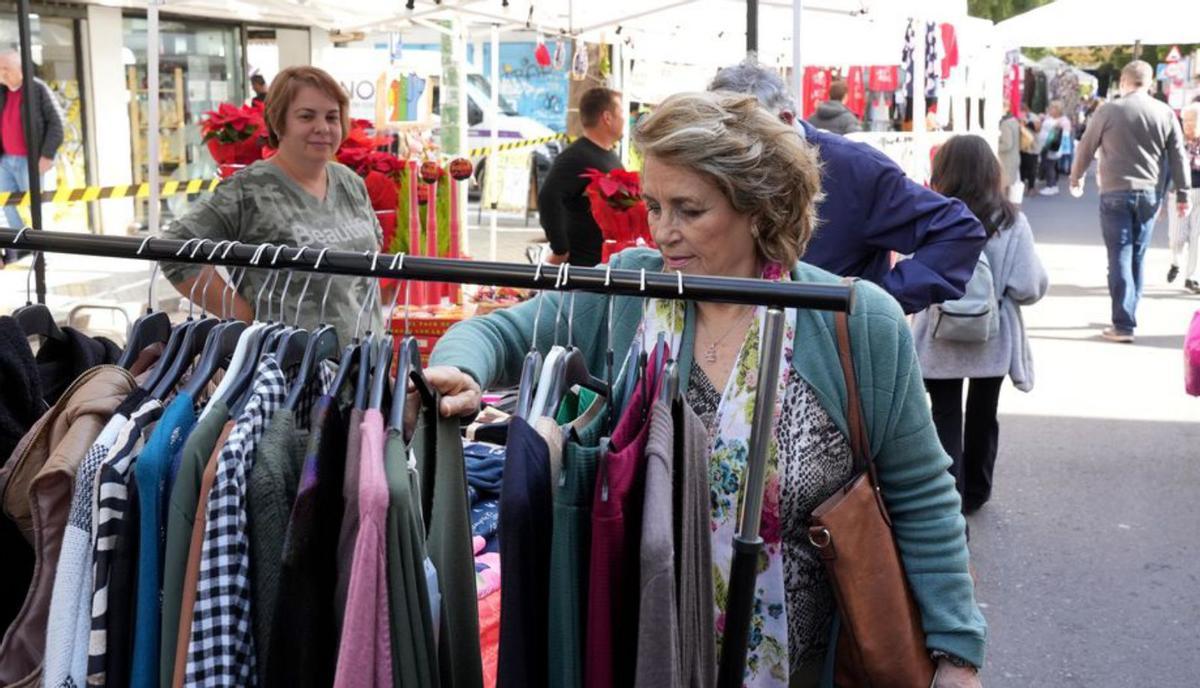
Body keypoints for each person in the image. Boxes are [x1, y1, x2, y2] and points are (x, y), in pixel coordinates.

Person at [422, 91, 986, 688]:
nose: (664, 232)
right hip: (639, 656)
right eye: (653, 205)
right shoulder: (629, 290)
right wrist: (463, 368)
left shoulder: (854, 320)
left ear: (760, 210)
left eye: (688, 210)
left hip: (808, 666)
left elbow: (921, 494)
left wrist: (956, 651)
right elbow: (504, 331)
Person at [708, 59, 987, 314]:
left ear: (785, 120)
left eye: (749, 142)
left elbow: (957, 229)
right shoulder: (714, 165)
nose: (738, 158)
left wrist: (876, 303)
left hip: (834, 354)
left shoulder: (853, 168)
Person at [160, 66, 384, 337]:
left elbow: (373, 250)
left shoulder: (349, 183)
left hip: (366, 363)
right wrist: (243, 317)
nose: (323, 128)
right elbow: (174, 249)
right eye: (306, 116)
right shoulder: (249, 189)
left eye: (332, 117)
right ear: (279, 122)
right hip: (290, 369)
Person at [914, 135, 1048, 515]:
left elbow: (914, 273)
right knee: (983, 413)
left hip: (939, 333)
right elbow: (1026, 286)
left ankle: (947, 495)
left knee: (943, 414)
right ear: (992, 172)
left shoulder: (931, 217)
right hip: (993, 337)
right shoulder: (1011, 220)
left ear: (943, 172)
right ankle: (977, 490)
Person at [1069, 60, 1191, 343]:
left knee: (1120, 255)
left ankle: (1123, 324)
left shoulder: (1108, 110)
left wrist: (1075, 178)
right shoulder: (1164, 112)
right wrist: (1183, 194)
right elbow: (1178, 156)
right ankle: (1127, 316)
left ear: (1124, 81)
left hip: (1114, 191)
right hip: (1149, 193)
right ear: (1149, 83)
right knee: (1137, 256)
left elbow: (1087, 146)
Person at [536, 86, 624, 267]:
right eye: (621, 112)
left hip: (610, 262)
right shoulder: (576, 156)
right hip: (585, 266)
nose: (625, 119)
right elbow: (548, 197)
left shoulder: (608, 154)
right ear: (607, 117)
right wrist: (560, 249)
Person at [0, 50, 64, 264]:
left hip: (31, 162)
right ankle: (24, 247)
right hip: (6, 161)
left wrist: (46, 155)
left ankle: (41, 252)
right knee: (8, 205)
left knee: (36, 209)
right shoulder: (2, 91)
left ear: (19, 69)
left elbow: (57, 124)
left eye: (5, 69)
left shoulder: (36, 89)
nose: (2, 74)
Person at [1167, 103, 1200, 293]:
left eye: (1193, 120)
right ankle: (1176, 261)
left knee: (1198, 237)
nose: (1188, 124)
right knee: (1177, 237)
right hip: (1179, 194)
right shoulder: (1176, 141)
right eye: (1185, 120)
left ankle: (1192, 277)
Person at [1035, 101, 1070, 196]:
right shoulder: (1049, 117)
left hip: (1052, 147)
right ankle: (1052, 185)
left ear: (1057, 110)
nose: (1050, 110)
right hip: (1045, 145)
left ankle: (1050, 186)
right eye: (1050, 108)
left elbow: (1065, 135)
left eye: (1052, 108)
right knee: (1048, 165)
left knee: (1049, 166)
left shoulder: (1063, 121)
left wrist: (1062, 149)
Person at [997, 107, 1023, 204]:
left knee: (1004, 186)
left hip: (1006, 160)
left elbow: (1007, 144)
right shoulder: (1014, 121)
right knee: (1008, 186)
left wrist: (994, 145)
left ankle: (1005, 210)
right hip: (1013, 158)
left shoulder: (1005, 124)